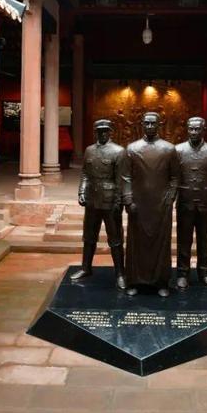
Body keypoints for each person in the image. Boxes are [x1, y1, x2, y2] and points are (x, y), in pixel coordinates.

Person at [122, 112, 180, 297]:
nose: (149, 126)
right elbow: (126, 177)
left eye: (152, 123)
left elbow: (175, 177)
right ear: (142, 124)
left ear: (159, 125)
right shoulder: (132, 149)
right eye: (146, 123)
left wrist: (170, 197)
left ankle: (161, 282)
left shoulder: (169, 149)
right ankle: (134, 281)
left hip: (161, 204)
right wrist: (128, 199)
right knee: (136, 243)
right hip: (138, 204)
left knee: (161, 243)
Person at [71, 120, 127, 290]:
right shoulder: (89, 150)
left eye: (105, 131)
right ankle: (86, 268)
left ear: (110, 132)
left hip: (110, 202)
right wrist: (81, 192)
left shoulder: (118, 151)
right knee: (89, 237)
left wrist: (118, 202)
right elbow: (85, 174)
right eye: (99, 131)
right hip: (92, 200)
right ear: (95, 132)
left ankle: (120, 273)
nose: (102, 134)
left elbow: (121, 180)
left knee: (115, 240)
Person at [175, 117, 207, 288]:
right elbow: (175, 175)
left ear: (203, 130)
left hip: (205, 201)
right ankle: (182, 274)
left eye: (197, 129)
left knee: (205, 239)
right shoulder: (178, 150)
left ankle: (205, 273)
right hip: (185, 202)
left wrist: (202, 188)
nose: (194, 132)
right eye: (191, 129)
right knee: (183, 240)